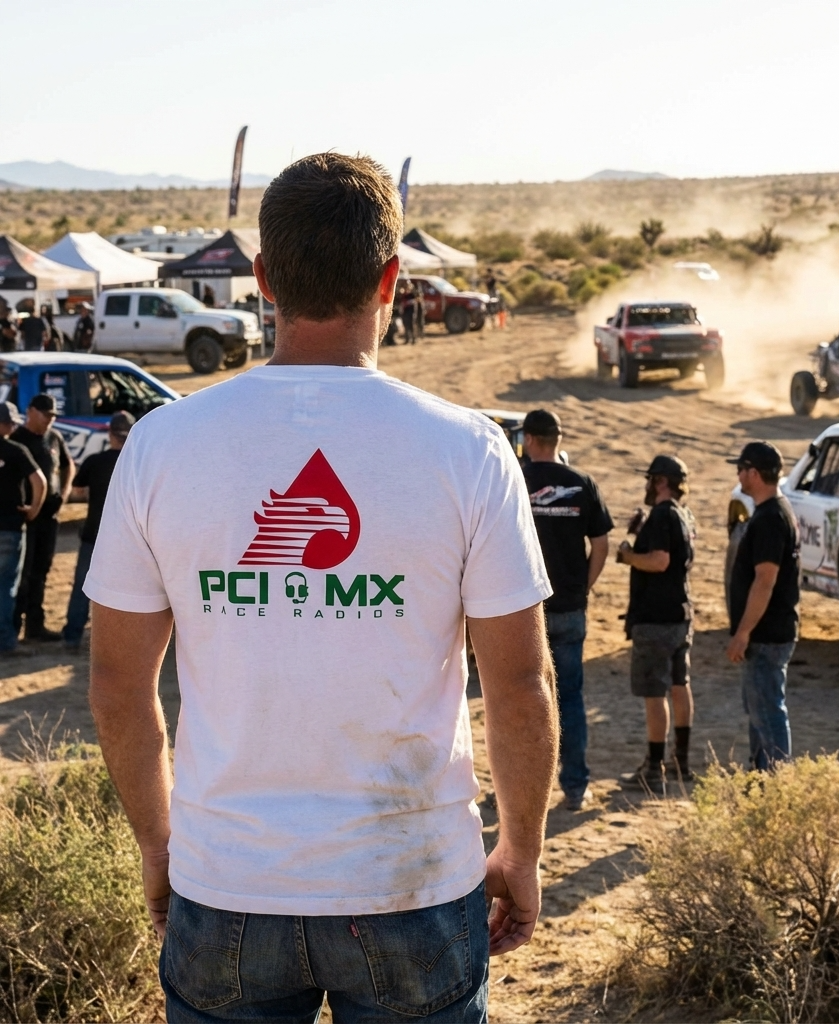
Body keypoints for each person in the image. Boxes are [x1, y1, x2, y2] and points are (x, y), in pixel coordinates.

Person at [86, 152, 558, 1023]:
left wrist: (161, 844)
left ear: (262, 279)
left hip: (225, 882)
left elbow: (119, 684)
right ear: (392, 280)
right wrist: (522, 846)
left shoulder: (161, 446)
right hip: (410, 881)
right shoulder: (470, 451)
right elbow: (520, 683)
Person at [521, 409, 612, 811]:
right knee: (570, 698)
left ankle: (522, 792)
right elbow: (603, 544)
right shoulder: (581, 484)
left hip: (523, 609)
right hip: (570, 606)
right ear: (557, 440)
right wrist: (583, 588)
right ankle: (575, 788)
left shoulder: (516, 480)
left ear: (529, 439)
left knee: (522, 697)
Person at [615, 455, 697, 796]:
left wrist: (628, 555)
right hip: (679, 615)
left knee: (654, 693)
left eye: (650, 479)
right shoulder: (682, 515)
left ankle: (654, 768)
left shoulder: (663, 516)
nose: (647, 485)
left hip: (657, 620)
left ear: (661, 481)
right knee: (680, 685)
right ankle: (681, 762)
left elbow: (660, 561)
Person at [725, 441, 801, 771]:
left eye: (741, 469)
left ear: (754, 473)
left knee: (767, 712)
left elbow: (765, 580)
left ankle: (774, 785)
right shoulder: (774, 512)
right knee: (760, 711)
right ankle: (760, 780)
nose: (739, 475)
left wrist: (743, 632)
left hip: (766, 634)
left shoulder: (770, 519)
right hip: (770, 631)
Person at [63, 411, 135, 653]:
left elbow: (78, 490)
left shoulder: (94, 461)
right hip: (129, 541)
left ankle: (72, 637)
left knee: (82, 588)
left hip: (94, 534)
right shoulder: (137, 462)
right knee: (129, 592)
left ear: (110, 433)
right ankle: (121, 643)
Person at [12, 394, 72, 642]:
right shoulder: (17, 440)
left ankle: (36, 626)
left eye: (52, 416)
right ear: (31, 411)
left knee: (42, 571)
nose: (49, 420)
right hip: (26, 518)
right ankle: (14, 627)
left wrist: (65, 493)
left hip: (49, 517)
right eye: (45, 414)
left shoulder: (54, 437)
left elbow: (68, 465)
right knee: (22, 574)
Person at [0, 401, 46, 658]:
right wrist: (33, 509)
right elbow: (39, 481)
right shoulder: (16, 450)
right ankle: (5, 643)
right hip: (10, 527)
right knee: (6, 586)